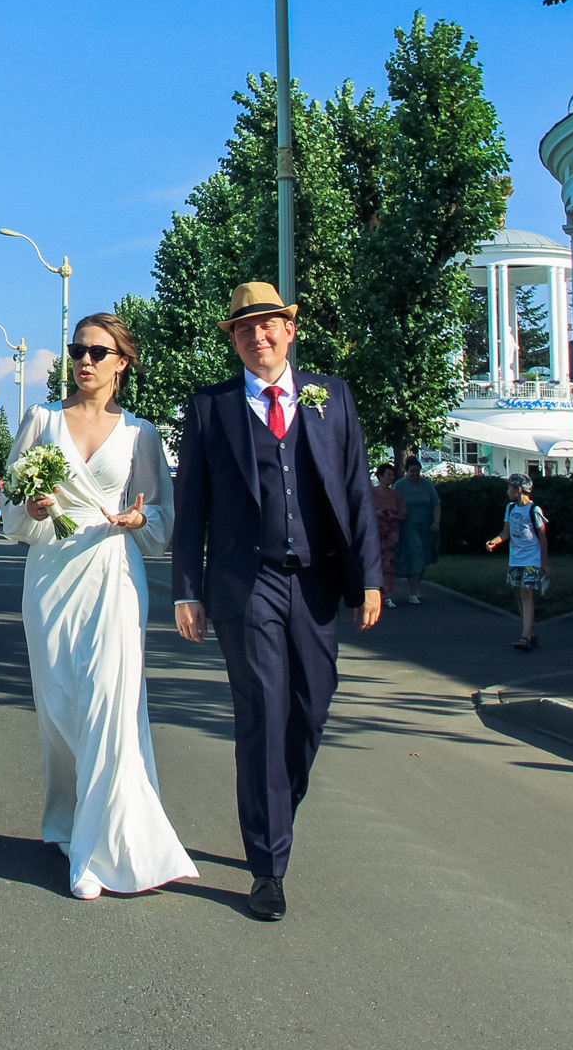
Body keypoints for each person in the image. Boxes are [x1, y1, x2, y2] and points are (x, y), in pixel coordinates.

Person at [171, 282, 385, 923]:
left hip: (317, 580)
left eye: (268, 326)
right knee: (263, 715)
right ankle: (267, 866)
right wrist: (188, 588)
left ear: (289, 332)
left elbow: (355, 491)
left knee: (310, 711)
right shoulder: (210, 408)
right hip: (248, 582)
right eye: (244, 329)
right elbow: (194, 509)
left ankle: (276, 808)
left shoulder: (332, 396)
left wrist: (369, 578)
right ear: (233, 340)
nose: (257, 336)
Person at [6, 312, 197, 901]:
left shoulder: (141, 434)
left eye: (98, 351)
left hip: (114, 572)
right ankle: (65, 821)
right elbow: (12, 516)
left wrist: (140, 519)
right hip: (51, 578)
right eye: (77, 349)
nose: (84, 360)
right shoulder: (40, 420)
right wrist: (34, 511)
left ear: (122, 364)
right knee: (60, 706)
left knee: (111, 708)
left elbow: (162, 519)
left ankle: (96, 854)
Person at [484, 472, 550, 650]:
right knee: (519, 595)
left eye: (509, 487)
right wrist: (496, 541)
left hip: (531, 559)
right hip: (516, 559)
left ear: (518, 489)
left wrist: (544, 563)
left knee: (526, 594)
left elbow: (542, 537)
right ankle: (529, 631)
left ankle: (526, 636)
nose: (507, 491)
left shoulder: (534, 510)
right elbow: (506, 532)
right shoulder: (511, 508)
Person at [392, 456, 440, 604]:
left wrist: (436, 522)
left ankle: (416, 588)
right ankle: (413, 593)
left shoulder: (427, 485)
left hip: (425, 528)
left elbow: (436, 504)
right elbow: (394, 504)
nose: (415, 474)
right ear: (407, 471)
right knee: (415, 554)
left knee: (422, 557)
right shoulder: (399, 485)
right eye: (412, 471)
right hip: (407, 528)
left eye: (417, 471)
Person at [370, 463, 406, 606]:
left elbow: (403, 515)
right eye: (388, 475)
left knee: (389, 564)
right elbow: (362, 513)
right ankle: (373, 592)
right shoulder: (370, 493)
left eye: (392, 475)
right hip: (374, 534)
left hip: (390, 535)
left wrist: (392, 516)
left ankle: (388, 595)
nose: (391, 478)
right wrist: (376, 513)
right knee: (373, 563)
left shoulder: (396, 496)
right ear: (380, 476)